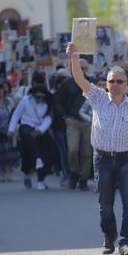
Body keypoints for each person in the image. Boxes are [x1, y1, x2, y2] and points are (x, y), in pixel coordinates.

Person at [67, 42, 128, 255]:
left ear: (127, 84)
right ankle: (109, 236)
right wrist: (73, 57)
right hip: (103, 159)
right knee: (105, 204)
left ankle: (126, 241)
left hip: (125, 158)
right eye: (111, 81)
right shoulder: (97, 97)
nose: (115, 84)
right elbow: (79, 79)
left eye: (119, 81)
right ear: (106, 84)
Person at [54, 59, 93, 190]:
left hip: (88, 122)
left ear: (86, 69)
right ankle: (74, 173)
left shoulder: (92, 82)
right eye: (78, 68)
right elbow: (58, 101)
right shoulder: (67, 84)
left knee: (87, 153)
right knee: (72, 149)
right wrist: (64, 116)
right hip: (72, 121)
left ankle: (84, 179)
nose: (81, 71)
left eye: (83, 68)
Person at [8, 85, 54, 190]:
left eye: (42, 96)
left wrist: (40, 130)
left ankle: (40, 180)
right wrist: (11, 129)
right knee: (26, 153)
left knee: (47, 154)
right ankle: (27, 171)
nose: (40, 98)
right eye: (38, 96)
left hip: (40, 129)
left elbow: (48, 118)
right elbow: (16, 114)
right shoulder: (26, 100)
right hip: (26, 126)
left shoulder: (48, 102)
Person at [0, 83, 19, 182]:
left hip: (8, 130)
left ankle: (9, 172)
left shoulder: (8, 102)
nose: (0, 91)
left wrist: (13, 128)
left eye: (1, 89)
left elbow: (13, 115)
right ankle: (2, 174)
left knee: (9, 152)